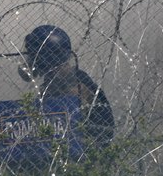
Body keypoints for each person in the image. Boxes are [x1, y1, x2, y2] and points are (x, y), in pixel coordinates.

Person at [22, 24, 114, 152]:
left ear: (43, 59)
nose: (29, 61)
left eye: (33, 57)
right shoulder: (60, 82)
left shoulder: (75, 86)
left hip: (81, 155)